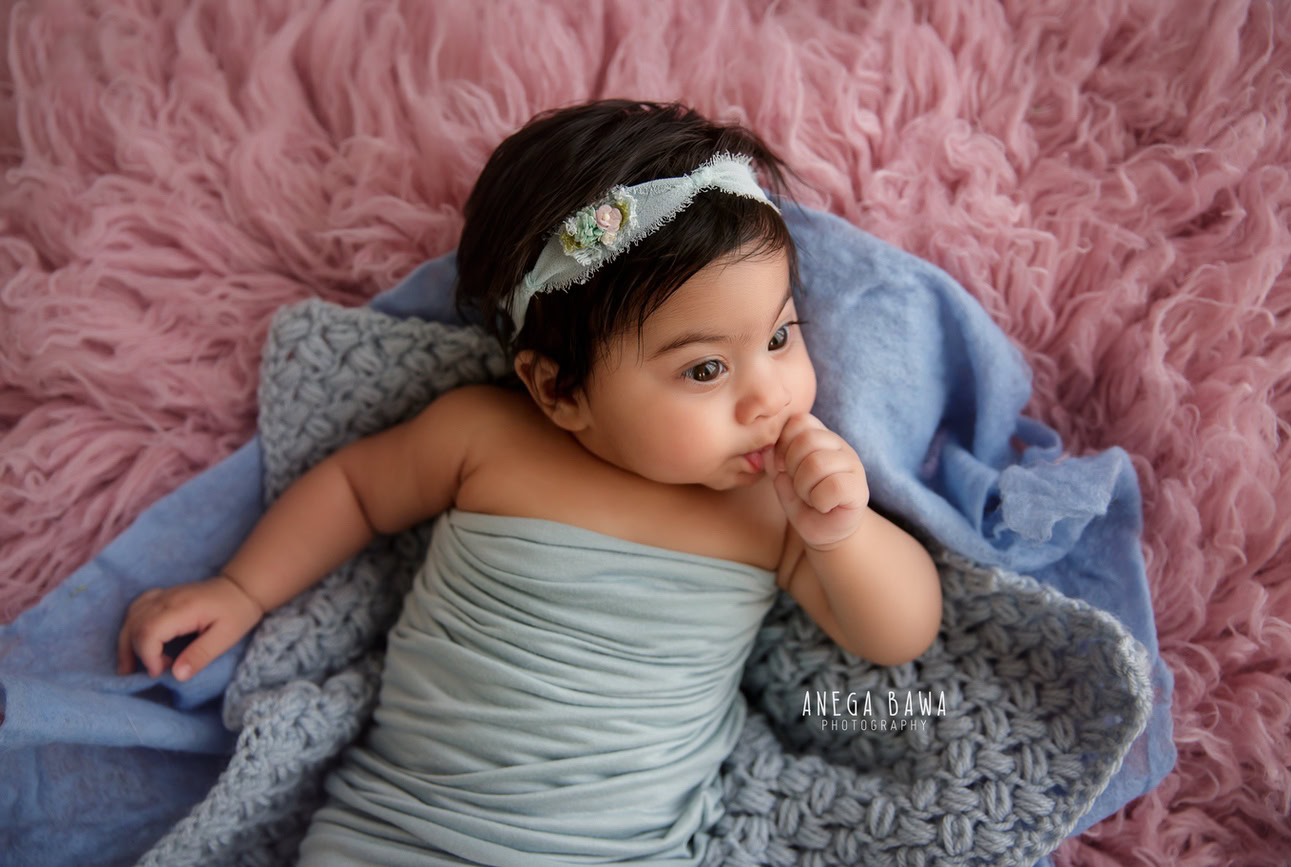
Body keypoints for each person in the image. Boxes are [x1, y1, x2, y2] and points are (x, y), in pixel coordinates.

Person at [115, 99, 943, 865]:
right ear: (557, 389)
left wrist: (845, 531)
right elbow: (356, 490)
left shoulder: (767, 507)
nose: (769, 395)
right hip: (397, 832)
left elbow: (898, 633)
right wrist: (240, 588)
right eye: (705, 368)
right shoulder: (487, 437)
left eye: (780, 335)